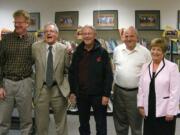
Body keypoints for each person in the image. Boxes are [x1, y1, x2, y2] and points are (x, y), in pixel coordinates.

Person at [68, 25, 113, 135]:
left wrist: (106, 95)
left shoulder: (103, 53)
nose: (87, 36)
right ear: (81, 35)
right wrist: (73, 91)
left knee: (101, 124)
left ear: (94, 35)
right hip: (81, 95)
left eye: (89, 33)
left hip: (99, 96)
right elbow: (72, 73)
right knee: (83, 124)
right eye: (84, 34)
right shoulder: (77, 52)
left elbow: (108, 75)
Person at [0, 10, 36, 134]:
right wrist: (0, 86)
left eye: (20, 22)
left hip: (25, 83)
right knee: (3, 119)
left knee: (26, 120)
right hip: (7, 83)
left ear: (27, 23)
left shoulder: (33, 40)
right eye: (15, 22)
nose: (17, 25)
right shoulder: (6, 39)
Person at [32, 22, 70, 135]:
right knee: (41, 123)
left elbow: (67, 69)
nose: (48, 33)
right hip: (41, 89)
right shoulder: (35, 47)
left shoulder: (63, 49)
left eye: (51, 31)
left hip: (58, 89)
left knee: (61, 122)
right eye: (46, 31)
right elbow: (29, 64)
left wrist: (70, 56)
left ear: (57, 34)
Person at [113, 26, 151, 135]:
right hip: (118, 91)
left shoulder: (145, 52)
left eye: (132, 36)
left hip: (136, 93)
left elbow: (148, 74)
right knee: (120, 123)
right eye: (126, 36)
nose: (129, 39)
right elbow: (115, 67)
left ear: (137, 38)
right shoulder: (117, 49)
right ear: (123, 37)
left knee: (136, 125)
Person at [137, 38, 180, 135]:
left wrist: (171, 111)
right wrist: (140, 105)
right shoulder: (145, 66)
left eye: (158, 50)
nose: (155, 52)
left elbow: (175, 91)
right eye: (153, 49)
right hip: (149, 109)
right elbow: (141, 88)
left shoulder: (172, 67)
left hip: (165, 111)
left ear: (164, 52)